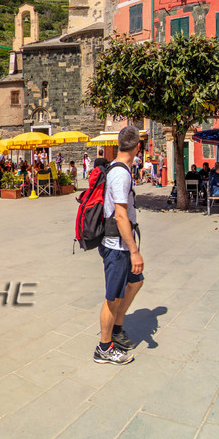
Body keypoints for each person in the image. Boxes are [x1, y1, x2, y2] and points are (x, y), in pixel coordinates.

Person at [96, 124, 143, 366]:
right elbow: (121, 216)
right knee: (112, 298)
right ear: (138, 147)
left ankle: (116, 328)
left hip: (121, 244)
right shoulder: (121, 174)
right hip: (117, 246)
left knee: (136, 281)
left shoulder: (119, 169)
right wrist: (134, 251)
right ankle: (104, 348)